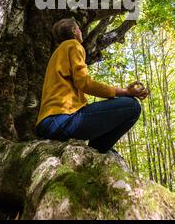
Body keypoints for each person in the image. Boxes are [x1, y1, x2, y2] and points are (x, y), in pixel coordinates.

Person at [35, 17, 149, 154]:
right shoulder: (73, 45)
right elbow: (85, 83)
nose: (81, 31)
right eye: (78, 28)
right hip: (61, 120)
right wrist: (124, 91)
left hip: (48, 123)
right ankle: (98, 149)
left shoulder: (57, 53)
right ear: (74, 31)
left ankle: (97, 151)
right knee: (132, 106)